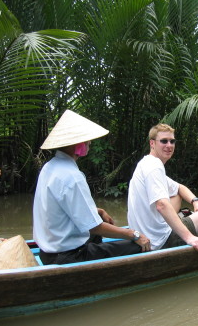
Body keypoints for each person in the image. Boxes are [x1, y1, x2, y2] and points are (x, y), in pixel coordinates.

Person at [33, 110, 150, 265]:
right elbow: (94, 227)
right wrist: (134, 234)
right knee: (136, 246)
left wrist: (98, 211)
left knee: (96, 235)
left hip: (46, 253)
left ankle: (100, 263)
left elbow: (62, 207)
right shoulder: (72, 176)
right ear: (77, 144)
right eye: (87, 140)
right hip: (68, 257)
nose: (90, 143)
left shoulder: (50, 167)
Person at [127, 124, 198, 254]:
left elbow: (180, 188)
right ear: (152, 143)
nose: (169, 145)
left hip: (147, 236)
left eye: (172, 141)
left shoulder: (146, 163)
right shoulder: (154, 166)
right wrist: (189, 237)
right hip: (160, 241)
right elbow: (161, 205)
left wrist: (196, 202)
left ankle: (192, 239)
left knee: (176, 195)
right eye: (164, 141)